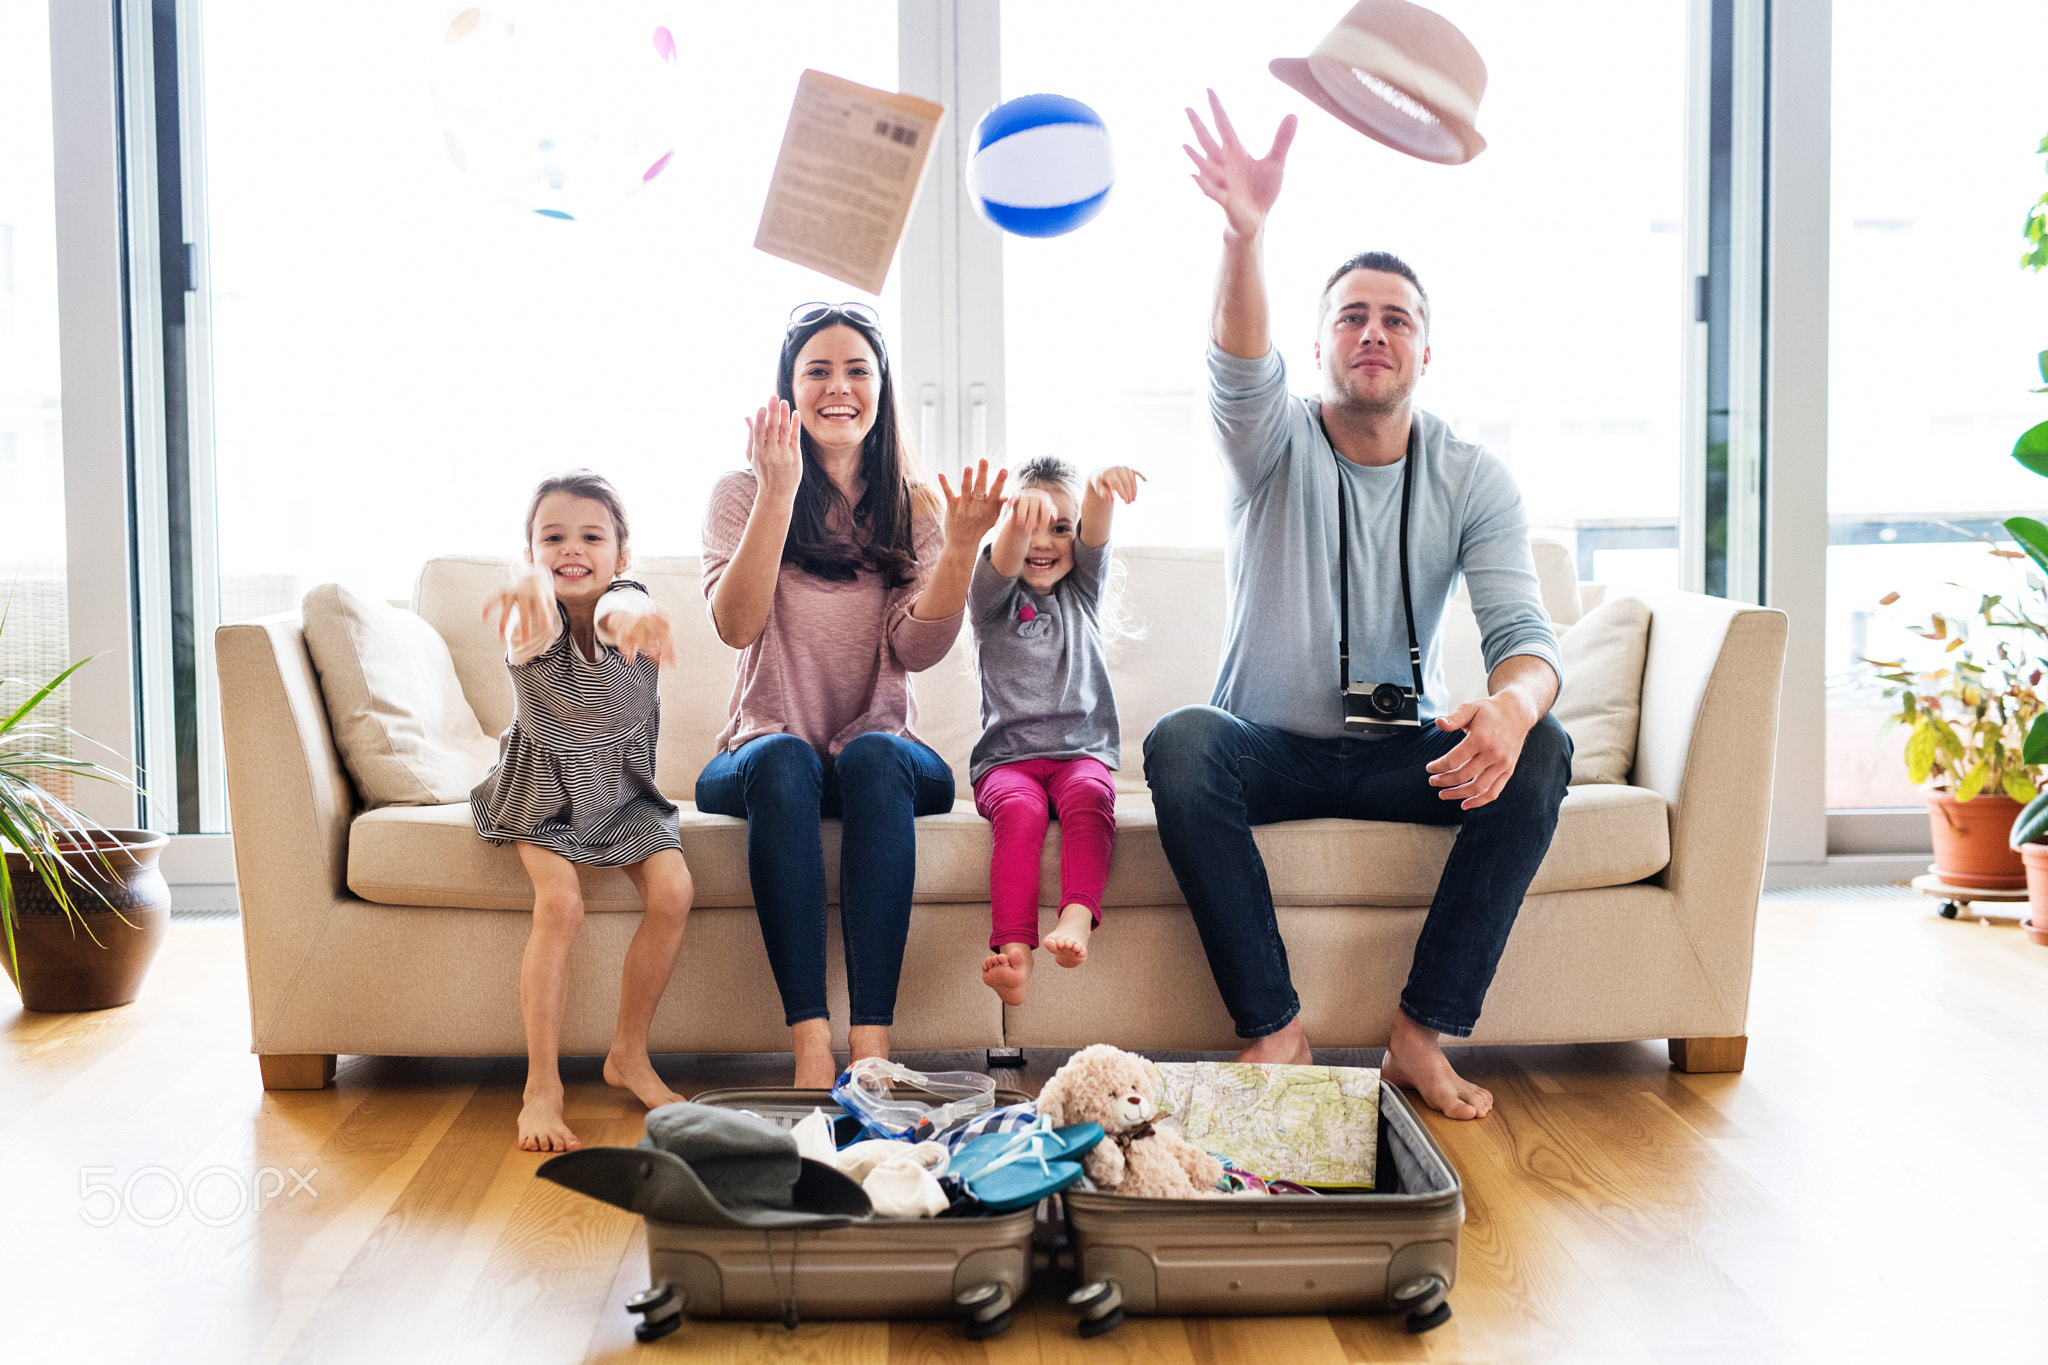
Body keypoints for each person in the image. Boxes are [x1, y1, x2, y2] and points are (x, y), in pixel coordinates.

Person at [1147, 92, 1573, 1120]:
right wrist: (1242, 234)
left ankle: (1418, 1038)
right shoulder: (1271, 442)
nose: (1373, 332)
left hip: (1394, 746)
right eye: (1350, 316)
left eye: (1396, 319)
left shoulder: (1472, 477)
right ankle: (1274, 1032)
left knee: (1545, 748)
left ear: (1426, 352)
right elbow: (1237, 361)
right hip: (1268, 748)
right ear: (1323, 346)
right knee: (1180, 743)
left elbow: (1525, 639)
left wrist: (1511, 710)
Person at [695, 302, 1008, 1089]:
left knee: (872, 757)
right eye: (818, 371)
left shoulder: (914, 507)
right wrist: (778, 490)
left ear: (882, 388)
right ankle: (809, 1044)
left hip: (878, 750)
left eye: (857, 369)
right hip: (764, 753)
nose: (839, 387)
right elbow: (736, 625)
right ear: (789, 392)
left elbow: (917, 649)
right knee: (785, 762)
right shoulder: (742, 492)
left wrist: (962, 548)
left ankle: (872, 1047)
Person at [472, 470, 695, 1153]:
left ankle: (628, 1052)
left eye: (591, 537)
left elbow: (615, 610)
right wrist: (529, 581)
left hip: (624, 791)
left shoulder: (632, 609)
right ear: (531, 550)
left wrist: (627, 613)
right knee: (561, 906)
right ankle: (542, 1085)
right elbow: (542, 601)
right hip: (543, 795)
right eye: (553, 537)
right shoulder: (531, 622)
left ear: (622, 556)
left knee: (674, 891)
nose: (572, 548)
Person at [968, 457, 1144, 1005]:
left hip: (1080, 755)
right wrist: (1013, 523)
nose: (1044, 541)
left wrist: (1097, 490)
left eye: (1061, 528)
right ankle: (1014, 953)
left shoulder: (1083, 590)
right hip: (1007, 762)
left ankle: (1075, 916)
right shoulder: (991, 600)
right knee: (1019, 813)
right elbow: (1003, 557)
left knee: (1092, 795)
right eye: (1029, 524)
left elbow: (1095, 528)